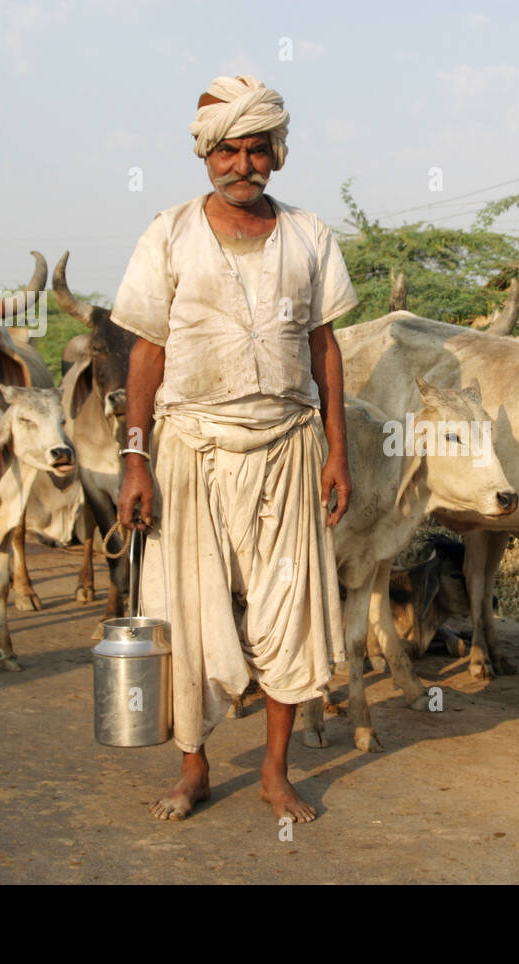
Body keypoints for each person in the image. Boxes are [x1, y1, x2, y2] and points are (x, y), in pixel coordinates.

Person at [113, 75, 357, 823]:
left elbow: (325, 348)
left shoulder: (311, 236)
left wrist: (337, 453)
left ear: (277, 155)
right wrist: (135, 456)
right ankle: (194, 768)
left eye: (257, 150)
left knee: (290, 612)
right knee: (187, 612)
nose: (242, 164)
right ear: (206, 155)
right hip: (188, 445)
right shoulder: (169, 232)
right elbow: (147, 353)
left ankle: (276, 773)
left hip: (288, 445)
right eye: (229, 151)